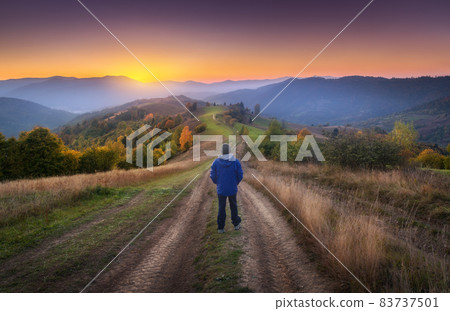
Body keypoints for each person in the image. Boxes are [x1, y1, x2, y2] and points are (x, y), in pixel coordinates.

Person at [210, 143, 243, 233]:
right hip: (232, 188)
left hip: (221, 189)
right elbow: (240, 175)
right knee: (233, 206)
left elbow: (212, 175)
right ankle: (236, 224)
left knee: (221, 207)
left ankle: (221, 228)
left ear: (222, 151)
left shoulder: (216, 162)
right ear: (229, 151)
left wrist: (218, 183)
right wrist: (235, 183)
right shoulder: (235, 161)